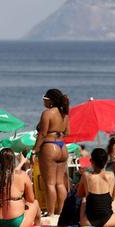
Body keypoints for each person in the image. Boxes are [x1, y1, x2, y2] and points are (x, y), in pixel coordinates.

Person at [31, 88, 70, 216]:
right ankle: (62, 211)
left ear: (50, 100)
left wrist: (34, 151)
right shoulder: (65, 114)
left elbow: (42, 134)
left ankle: (51, 212)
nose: (43, 102)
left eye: (45, 100)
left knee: (50, 183)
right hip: (62, 147)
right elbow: (67, 133)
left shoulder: (47, 113)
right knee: (60, 182)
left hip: (49, 146)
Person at [0, 148, 41, 227]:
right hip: (15, 223)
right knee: (35, 203)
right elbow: (30, 199)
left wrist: (21, 163)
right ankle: (38, 225)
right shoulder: (22, 175)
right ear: (13, 160)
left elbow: (7, 175)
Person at [78, 148, 115, 227]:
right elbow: (113, 197)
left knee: (84, 199)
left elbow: (79, 194)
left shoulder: (85, 176)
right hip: (109, 221)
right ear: (106, 162)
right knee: (113, 199)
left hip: (88, 222)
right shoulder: (111, 175)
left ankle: (82, 220)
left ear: (92, 161)